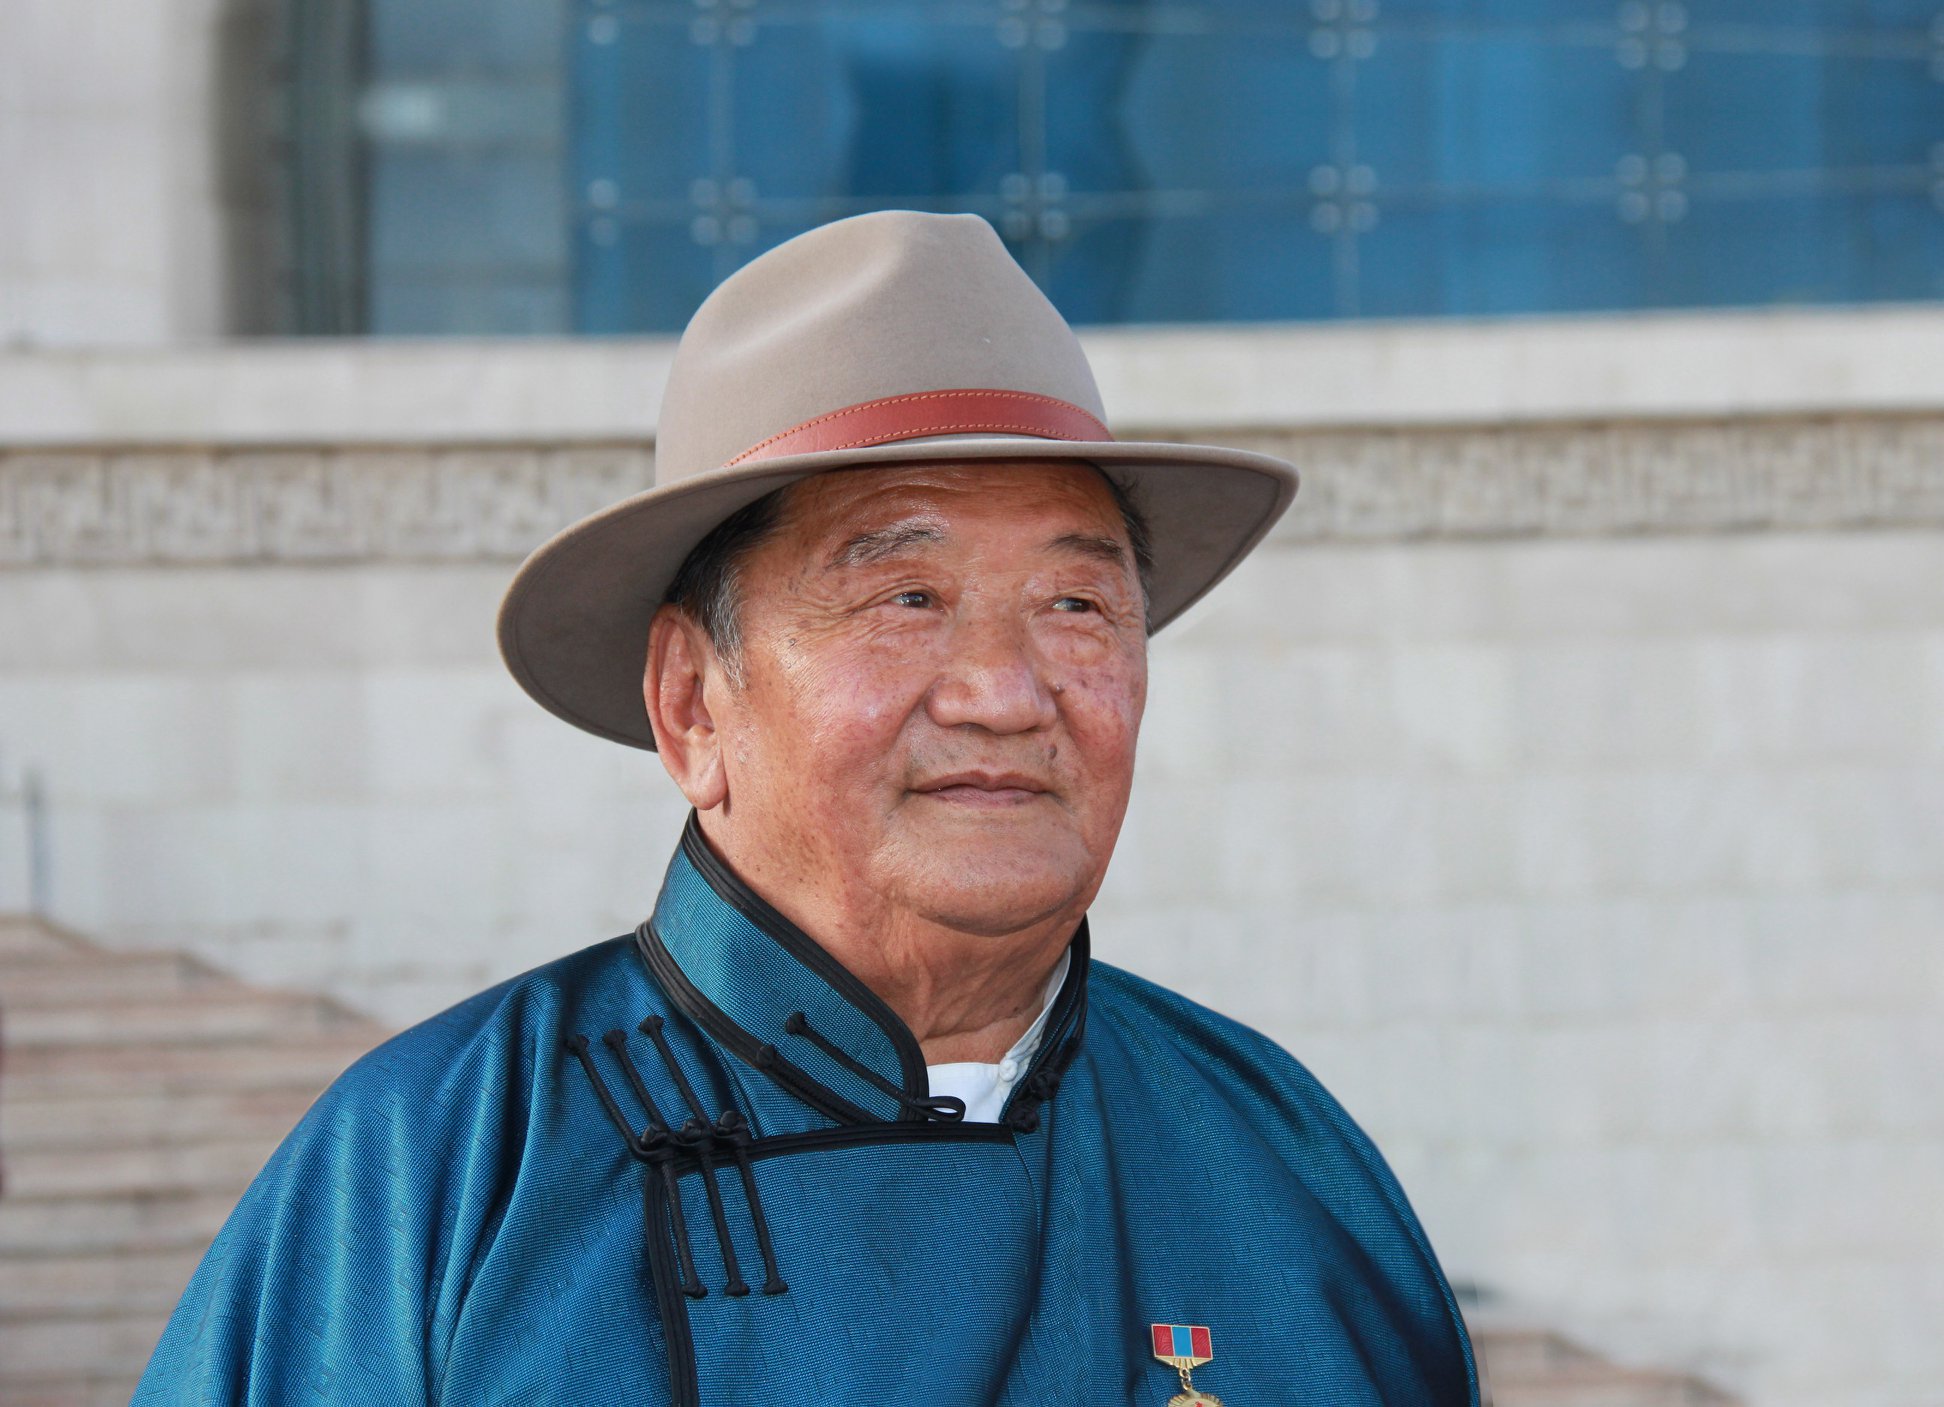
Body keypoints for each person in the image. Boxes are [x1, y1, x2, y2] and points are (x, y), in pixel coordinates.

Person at [136, 211, 1476, 1405]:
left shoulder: (1279, 1159)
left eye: (1076, 604)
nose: (1005, 693)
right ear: (692, 705)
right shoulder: (437, 1172)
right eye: (906, 597)